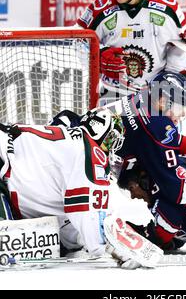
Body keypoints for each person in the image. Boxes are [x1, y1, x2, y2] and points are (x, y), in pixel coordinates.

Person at [51, 71, 186, 238]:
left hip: (67, 153)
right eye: (179, 107)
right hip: (77, 174)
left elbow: (161, 141)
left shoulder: (143, 99)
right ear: (162, 100)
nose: (182, 114)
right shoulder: (157, 125)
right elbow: (176, 186)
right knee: (84, 234)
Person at [0, 110, 125, 258]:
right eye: (111, 138)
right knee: (7, 245)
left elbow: (68, 218)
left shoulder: (69, 145)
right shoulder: (87, 152)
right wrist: (106, 247)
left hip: (5, 170)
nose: (110, 146)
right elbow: (87, 214)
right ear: (99, 128)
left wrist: (81, 239)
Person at [76, 0, 186, 105]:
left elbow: (182, 44)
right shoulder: (100, 8)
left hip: (156, 95)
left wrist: (170, 78)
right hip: (112, 94)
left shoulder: (165, 6)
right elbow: (78, 39)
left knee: (159, 130)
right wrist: (99, 56)